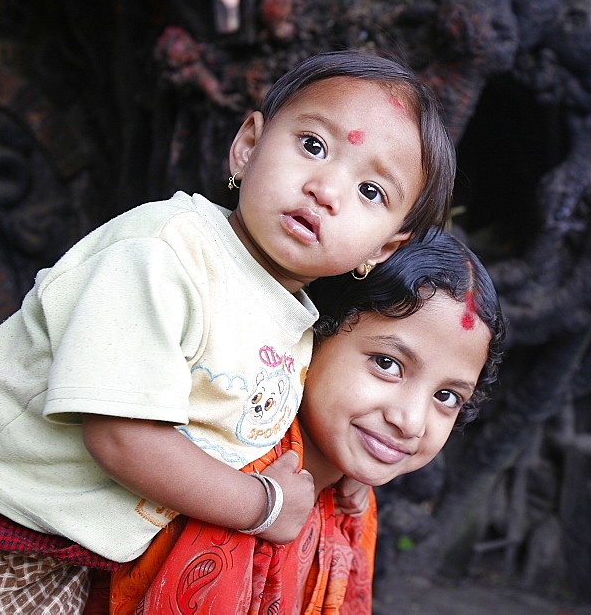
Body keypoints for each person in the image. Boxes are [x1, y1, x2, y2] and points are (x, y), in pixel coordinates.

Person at [0, 50, 456, 613]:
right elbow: (122, 435)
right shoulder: (167, 252)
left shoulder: (293, 324)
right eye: (313, 145)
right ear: (247, 146)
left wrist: (349, 476)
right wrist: (261, 506)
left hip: (52, 553)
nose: (326, 189)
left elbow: (263, 429)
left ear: (382, 249)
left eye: (370, 192)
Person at [105, 226, 506, 613]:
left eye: (447, 396)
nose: (411, 422)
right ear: (313, 331)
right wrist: (260, 505)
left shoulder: (351, 502)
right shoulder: (226, 471)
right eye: (387, 364)